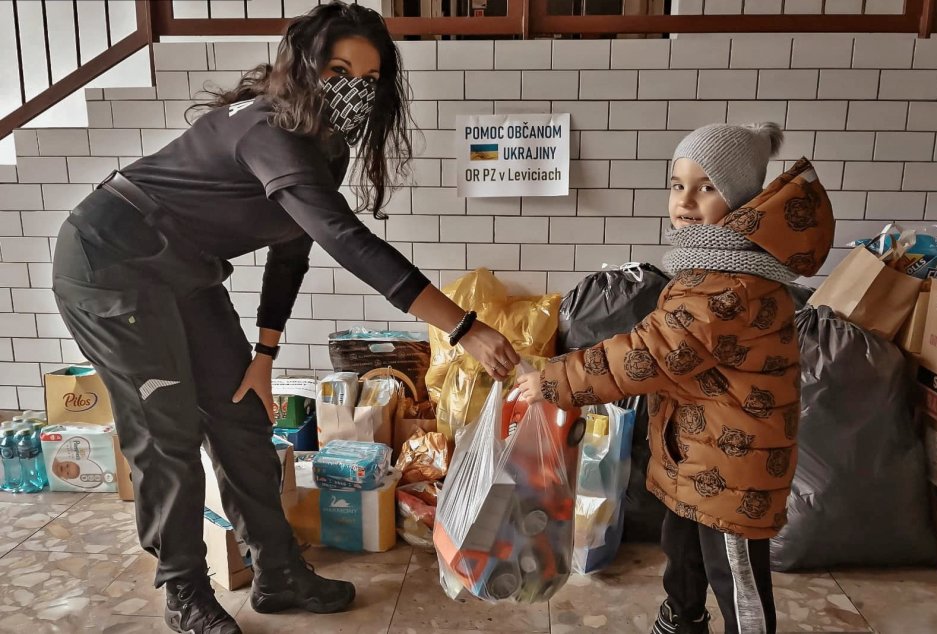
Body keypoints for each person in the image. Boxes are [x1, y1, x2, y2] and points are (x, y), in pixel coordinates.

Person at [51, 3, 519, 633]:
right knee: (168, 435)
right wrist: (464, 327)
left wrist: (264, 355)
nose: (353, 88)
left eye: (369, 77)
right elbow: (346, 240)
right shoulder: (267, 130)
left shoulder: (323, 144)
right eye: (338, 70)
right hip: (110, 262)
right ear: (303, 64)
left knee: (241, 416)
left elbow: (292, 246)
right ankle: (184, 591)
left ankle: (277, 572)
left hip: (185, 270)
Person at [518, 123, 835, 634]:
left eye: (707, 187)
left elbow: (650, 354)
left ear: (741, 200)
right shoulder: (714, 265)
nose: (685, 200)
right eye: (677, 184)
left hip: (732, 467)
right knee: (682, 551)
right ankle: (682, 619)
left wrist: (556, 380)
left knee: (735, 577)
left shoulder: (728, 284)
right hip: (699, 453)